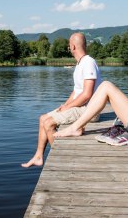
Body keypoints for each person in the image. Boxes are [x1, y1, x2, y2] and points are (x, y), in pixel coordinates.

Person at [21, 32, 102, 167]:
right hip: (81, 107)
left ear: (73, 46)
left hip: (89, 111)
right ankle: (38, 156)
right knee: (43, 118)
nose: (69, 48)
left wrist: (68, 108)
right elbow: (77, 91)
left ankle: (60, 160)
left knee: (49, 124)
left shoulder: (88, 62)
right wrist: (65, 105)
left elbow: (87, 94)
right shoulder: (80, 64)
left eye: (69, 46)